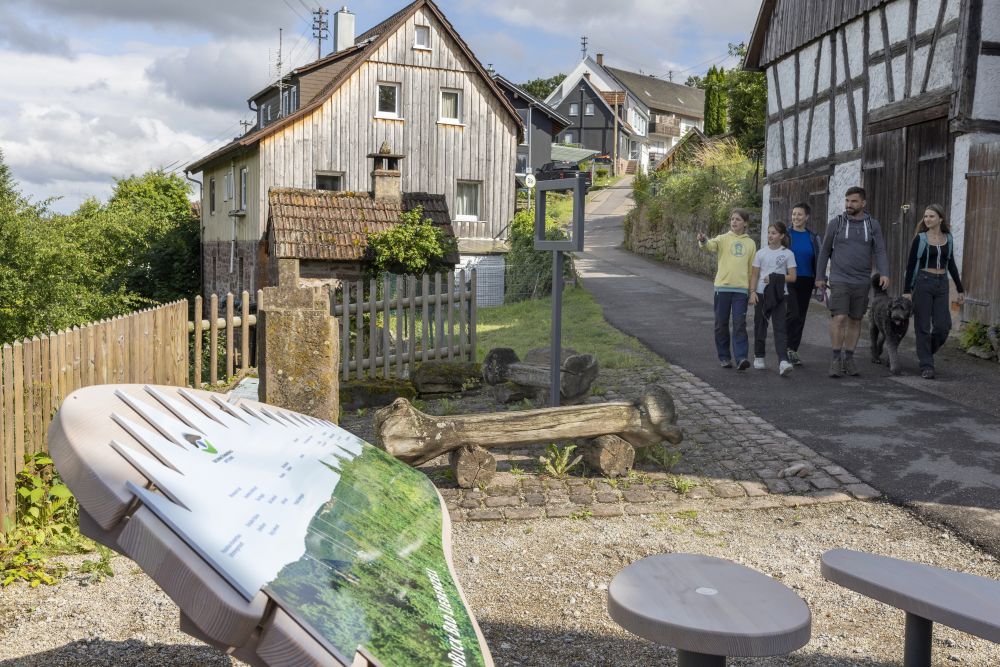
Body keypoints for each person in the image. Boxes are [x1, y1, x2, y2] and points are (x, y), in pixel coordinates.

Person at [815, 187, 890, 378]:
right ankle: (835, 359)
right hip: (839, 278)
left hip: (861, 280)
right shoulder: (836, 223)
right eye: (847, 201)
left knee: (855, 320)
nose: (849, 205)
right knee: (839, 318)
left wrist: (884, 273)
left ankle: (849, 358)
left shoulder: (873, 225)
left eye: (853, 201)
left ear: (863, 203)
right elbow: (824, 251)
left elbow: (880, 250)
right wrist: (820, 277)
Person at [903, 204, 965, 379]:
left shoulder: (948, 238)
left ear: (940, 219)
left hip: (942, 283)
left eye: (931, 216)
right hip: (924, 282)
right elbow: (911, 265)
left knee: (943, 326)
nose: (927, 219)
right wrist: (907, 290)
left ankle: (925, 353)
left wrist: (960, 289)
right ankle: (926, 365)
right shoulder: (920, 239)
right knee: (922, 326)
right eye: (925, 216)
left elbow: (951, 264)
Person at [698, 209, 757, 370]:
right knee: (721, 324)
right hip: (722, 289)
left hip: (741, 291)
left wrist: (752, 291)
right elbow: (710, 245)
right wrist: (703, 240)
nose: (734, 222)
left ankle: (741, 358)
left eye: (738, 219)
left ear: (745, 223)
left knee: (739, 324)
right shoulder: (723, 239)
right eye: (732, 219)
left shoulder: (750, 243)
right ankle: (724, 357)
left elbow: (752, 270)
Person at [750, 222, 797, 376]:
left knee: (780, 327)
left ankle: (783, 361)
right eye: (769, 232)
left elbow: (792, 277)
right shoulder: (760, 253)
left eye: (774, 233)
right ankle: (759, 355)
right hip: (761, 294)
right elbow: (755, 275)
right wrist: (752, 292)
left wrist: (774, 277)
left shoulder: (788, 254)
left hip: (779, 295)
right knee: (760, 325)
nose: (770, 236)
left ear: (782, 236)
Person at [785, 203, 820, 365]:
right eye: (794, 214)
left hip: (807, 279)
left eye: (799, 215)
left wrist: (820, 279)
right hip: (788, 279)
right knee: (792, 313)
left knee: (800, 316)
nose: (796, 218)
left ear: (807, 217)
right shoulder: (785, 234)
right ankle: (785, 347)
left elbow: (818, 259)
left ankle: (792, 349)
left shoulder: (813, 237)